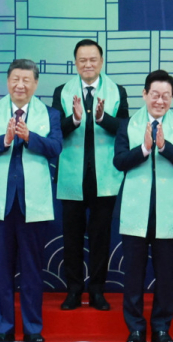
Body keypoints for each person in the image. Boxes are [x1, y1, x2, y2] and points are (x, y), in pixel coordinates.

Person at [0, 59, 63, 342]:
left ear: (36, 84)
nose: (20, 85)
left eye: (26, 80)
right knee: (0, 269)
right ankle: (3, 328)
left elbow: (56, 147)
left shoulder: (49, 114)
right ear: (7, 81)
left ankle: (33, 329)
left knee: (31, 270)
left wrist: (29, 138)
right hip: (0, 202)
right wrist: (5, 138)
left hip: (34, 203)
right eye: (15, 79)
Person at [113, 70, 173, 342]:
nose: (160, 101)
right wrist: (145, 149)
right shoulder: (128, 125)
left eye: (166, 96)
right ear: (145, 94)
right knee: (133, 274)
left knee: (166, 275)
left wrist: (163, 146)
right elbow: (120, 161)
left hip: (167, 210)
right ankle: (135, 328)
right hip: (136, 208)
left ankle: (161, 328)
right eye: (155, 95)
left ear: (172, 98)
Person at [52, 39, 128, 311]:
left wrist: (101, 118)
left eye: (93, 59)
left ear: (101, 61)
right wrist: (73, 119)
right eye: (82, 60)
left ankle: (97, 290)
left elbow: (125, 129)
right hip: (72, 175)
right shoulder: (62, 91)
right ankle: (73, 290)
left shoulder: (117, 91)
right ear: (75, 63)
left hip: (104, 176)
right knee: (71, 238)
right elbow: (54, 131)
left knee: (100, 237)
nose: (87, 64)